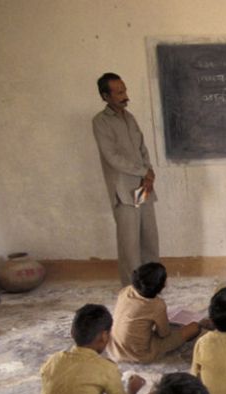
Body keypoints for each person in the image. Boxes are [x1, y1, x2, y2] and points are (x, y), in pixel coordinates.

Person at [93, 72, 159, 287]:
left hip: (143, 188)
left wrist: (148, 173)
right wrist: (143, 171)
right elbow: (112, 157)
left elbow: (142, 148)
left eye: (125, 90)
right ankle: (132, 290)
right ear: (105, 96)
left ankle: (152, 285)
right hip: (124, 191)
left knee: (149, 239)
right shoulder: (101, 122)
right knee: (129, 245)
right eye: (119, 92)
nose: (124, 96)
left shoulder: (129, 118)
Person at [106, 262, 201, 363]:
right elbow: (164, 333)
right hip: (138, 354)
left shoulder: (126, 290)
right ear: (161, 286)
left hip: (114, 348)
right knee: (194, 327)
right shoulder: (157, 304)